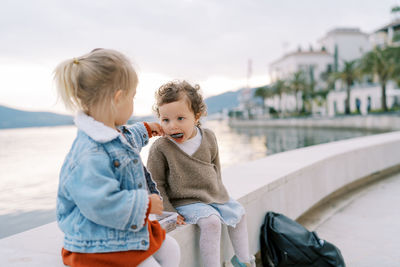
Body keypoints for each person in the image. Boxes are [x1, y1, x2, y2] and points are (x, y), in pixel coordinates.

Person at [54, 48, 180, 267]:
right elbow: (100, 203)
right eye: (132, 97)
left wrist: (146, 129)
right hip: (97, 244)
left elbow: (126, 140)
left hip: (115, 232)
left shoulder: (110, 133)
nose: (133, 104)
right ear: (118, 98)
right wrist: (144, 205)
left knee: (171, 249)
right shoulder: (89, 153)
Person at [147, 80, 255, 267]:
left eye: (180, 118)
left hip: (211, 196)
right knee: (211, 222)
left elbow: (215, 169)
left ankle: (244, 261)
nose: (172, 126)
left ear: (196, 117)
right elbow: (155, 184)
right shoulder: (161, 147)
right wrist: (169, 213)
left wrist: (222, 196)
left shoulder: (209, 137)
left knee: (239, 213)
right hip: (184, 201)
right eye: (165, 120)